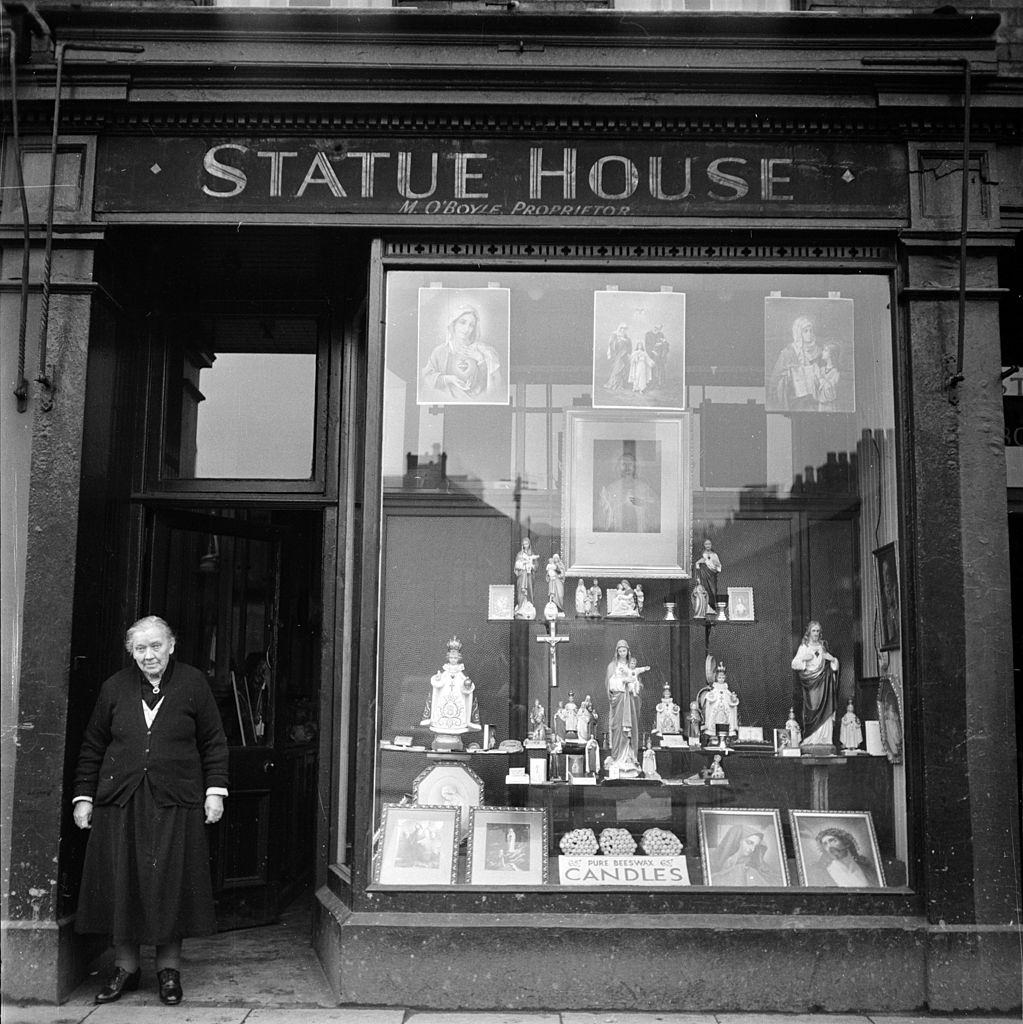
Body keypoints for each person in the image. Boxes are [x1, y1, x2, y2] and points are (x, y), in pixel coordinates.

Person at [72, 616, 228, 1006]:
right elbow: (93, 744)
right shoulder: (115, 687)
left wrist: (215, 792)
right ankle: (125, 968)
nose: (148, 655)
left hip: (175, 801)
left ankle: (168, 972)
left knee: (170, 885)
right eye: (140, 649)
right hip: (121, 801)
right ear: (132, 653)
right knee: (122, 883)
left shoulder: (193, 684)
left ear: (171, 645)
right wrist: (84, 797)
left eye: (155, 646)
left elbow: (213, 742)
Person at [421, 302, 503, 401]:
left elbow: (490, 386)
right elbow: (427, 378)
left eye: (471, 325)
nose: (467, 329)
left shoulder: (484, 351)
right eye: (462, 322)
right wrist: (449, 379)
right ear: (454, 324)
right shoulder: (439, 352)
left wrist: (480, 360)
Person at [420, 636, 481, 747]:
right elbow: (437, 684)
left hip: (457, 698)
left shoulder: (460, 673)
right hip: (445, 696)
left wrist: (467, 687)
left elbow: (467, 686)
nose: (453, 660)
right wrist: (438, 679)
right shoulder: (445, 672)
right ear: (448, 658)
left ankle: (456, 735)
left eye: (455, 658)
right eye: (451, 658)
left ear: (459, 658)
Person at [791, 620, 839, 749]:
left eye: (818, 631)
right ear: (809, 632)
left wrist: (833, 659)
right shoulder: (804, 647)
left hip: (824, 683)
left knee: (826, 708)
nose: (816, 633)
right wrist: (803, 659)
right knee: (812, 709)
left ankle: (825, 739)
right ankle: (811, 738)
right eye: (813, 631)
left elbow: (834, 666)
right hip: (811, 683)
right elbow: (794, 664)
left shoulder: (823, 646)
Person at [605, 639, 647, 773]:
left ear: (628, 651)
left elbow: (638, 684)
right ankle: (617, 759)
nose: (622, 653)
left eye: (624, 650)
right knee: (618, 728)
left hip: (631, 702)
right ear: (616, 652)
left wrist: (634, 686)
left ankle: (630, 758)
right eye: (620, 650)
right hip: (619, 702)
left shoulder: (632, 665)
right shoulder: (612, 666)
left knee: (630, 730)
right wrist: (623, 681)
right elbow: (610, 685)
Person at [768, 314, 822, 412]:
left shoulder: (818, 351)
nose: (809, 334)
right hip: (794, 398)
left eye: (811, 331)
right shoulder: (788, 352)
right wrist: (788, 375)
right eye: (805, 331)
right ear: (798, 333)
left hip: (814, 398)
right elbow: (775, 379)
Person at [598, 448, 659, 533]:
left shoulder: (644, 488)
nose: (627, 467)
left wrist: (643, 504)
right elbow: (602, 515)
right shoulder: (611, 489)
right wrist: (615, 505)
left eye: (630, 464)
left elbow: (656, 507)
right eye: (624, 464)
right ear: (618, 467)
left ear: (635, 467)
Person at [710, 824, 783, 887]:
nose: (752, 849)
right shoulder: (723, 859)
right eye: (749, 843)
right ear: (739, 840)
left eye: (756, 846)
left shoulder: (756, 862)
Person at [805, 827, 880, 887]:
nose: (829, 846)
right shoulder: (824, 871)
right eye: (825, 844)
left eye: (832, 840)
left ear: (845, 842)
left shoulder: (865, 866)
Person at [701, 663, 739, 738]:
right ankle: (711, 731)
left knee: (729, 715)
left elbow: (730, 699)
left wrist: (733, 699)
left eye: (722, 678)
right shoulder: (715, 689)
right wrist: (711, 696)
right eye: (719, 677)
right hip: (716, 708)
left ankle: (730, 732)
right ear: (716, 678)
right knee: (713, 714)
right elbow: (710, 697)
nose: (721, 679)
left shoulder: (726, 689)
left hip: (725, 708)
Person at [513, 537, 539, 618]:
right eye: (524, 544)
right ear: (522, 545)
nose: (525, 545)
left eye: (527, 544)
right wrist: (522, 564)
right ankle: (520, 607)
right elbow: (516, 566)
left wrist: (532, 566)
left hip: (529, 576)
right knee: (521, 590)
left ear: (529, 544)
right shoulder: (519, 554)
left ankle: (529, 604)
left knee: (529, 589)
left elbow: (536, 565)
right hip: (522, 575)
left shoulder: (532, 554)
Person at [694, 539, 722, 610]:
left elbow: (719, 567)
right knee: (704, 590)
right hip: (703, 576)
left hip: (712, 576)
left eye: (709, 544)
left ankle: (712, 608)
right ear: (704, 545)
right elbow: (697, 565)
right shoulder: (701, 554)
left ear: (711, 545)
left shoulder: (714, 555)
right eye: (706, 544)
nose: (708, 545)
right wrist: (699, 563)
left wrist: (715, 565)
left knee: (713, 590)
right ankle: (704, 607)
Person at [604, 323, 631, 391]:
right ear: (619, 328)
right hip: (618, 354)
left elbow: (629, 346)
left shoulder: (627, 337)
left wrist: (627, 350)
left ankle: (621, 385)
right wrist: (618, 341)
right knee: (617, 368)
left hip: (624, 354)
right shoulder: (615, 335)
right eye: (621, 328)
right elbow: (611, 344)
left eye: (624, 329)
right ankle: (614, 384)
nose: (623, 330)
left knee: (623, 369)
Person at [817, 343, 840, 412]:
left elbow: (830, 392)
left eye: (825, 350)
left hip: (830, 406)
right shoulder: (821, 369)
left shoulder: (836, 372)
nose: (822, 352)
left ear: (831, 354)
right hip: (820, 405)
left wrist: (821, 379)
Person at [646, 324, 669, 388]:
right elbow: (647, 345)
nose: (657, 329)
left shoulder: (661, 334)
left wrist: (663, 343)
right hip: (652, 355)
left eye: (659, 328)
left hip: (660, 355)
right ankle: (653, 383)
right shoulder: (648, 334)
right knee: (653, 369)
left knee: (661, 369)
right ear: (653, 327)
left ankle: (660, 383)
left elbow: (666, 345)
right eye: (656, 327)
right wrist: (653, 351)